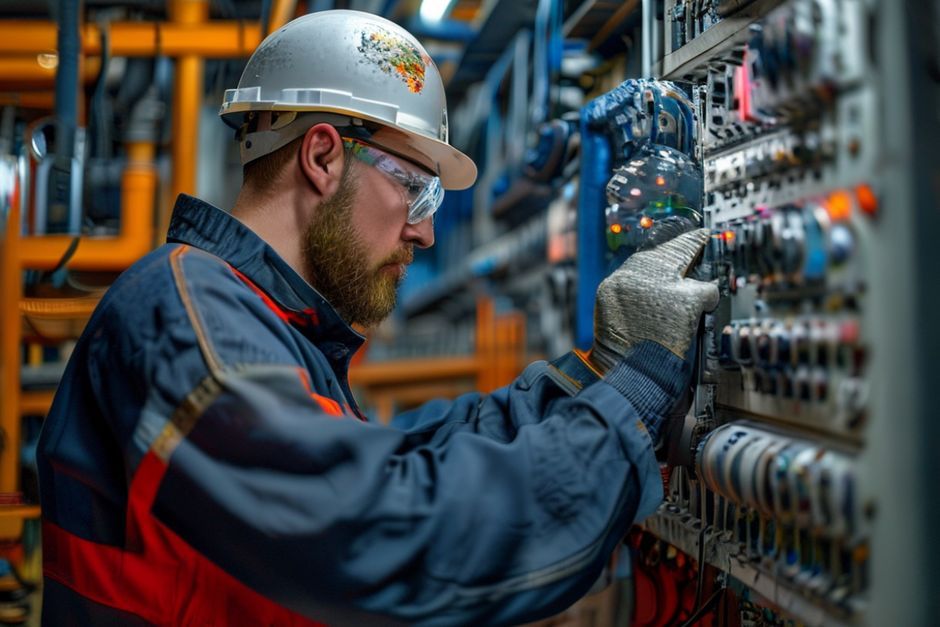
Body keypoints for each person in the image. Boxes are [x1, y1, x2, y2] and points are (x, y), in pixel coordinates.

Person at [37, 10, 718, 626]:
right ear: (323, 156)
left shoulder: (263, 324)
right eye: (416, 190)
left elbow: (401, 463)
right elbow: (378, 529)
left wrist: (587, 382)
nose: (423, 234)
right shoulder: (181, 315)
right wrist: (632, 393)